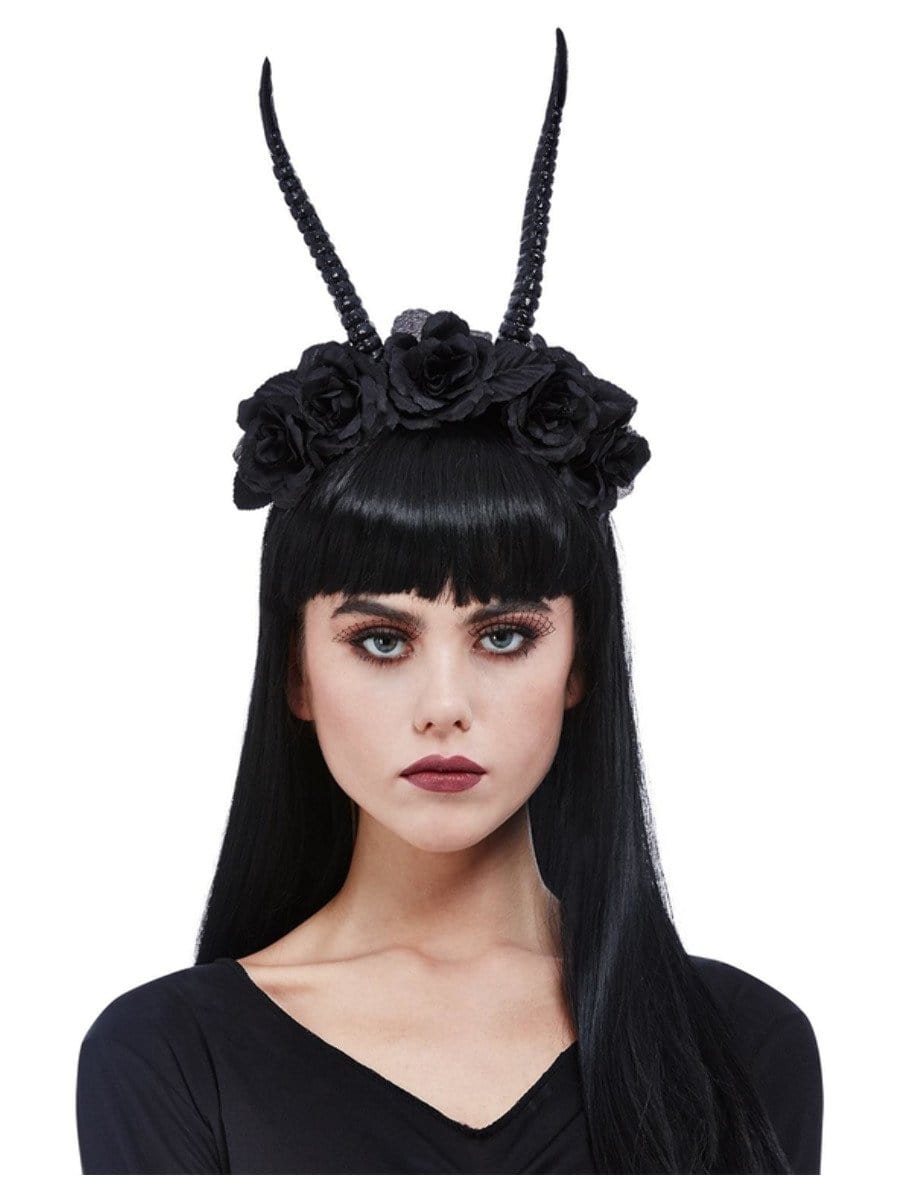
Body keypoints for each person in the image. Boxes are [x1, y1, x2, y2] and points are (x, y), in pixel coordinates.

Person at [75, 29, 823, 1174]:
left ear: (579, 664)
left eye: (505, 635)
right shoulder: (169, 1056)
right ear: (296, 671)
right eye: (381, 640)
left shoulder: (743, 1045)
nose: (444, 704)